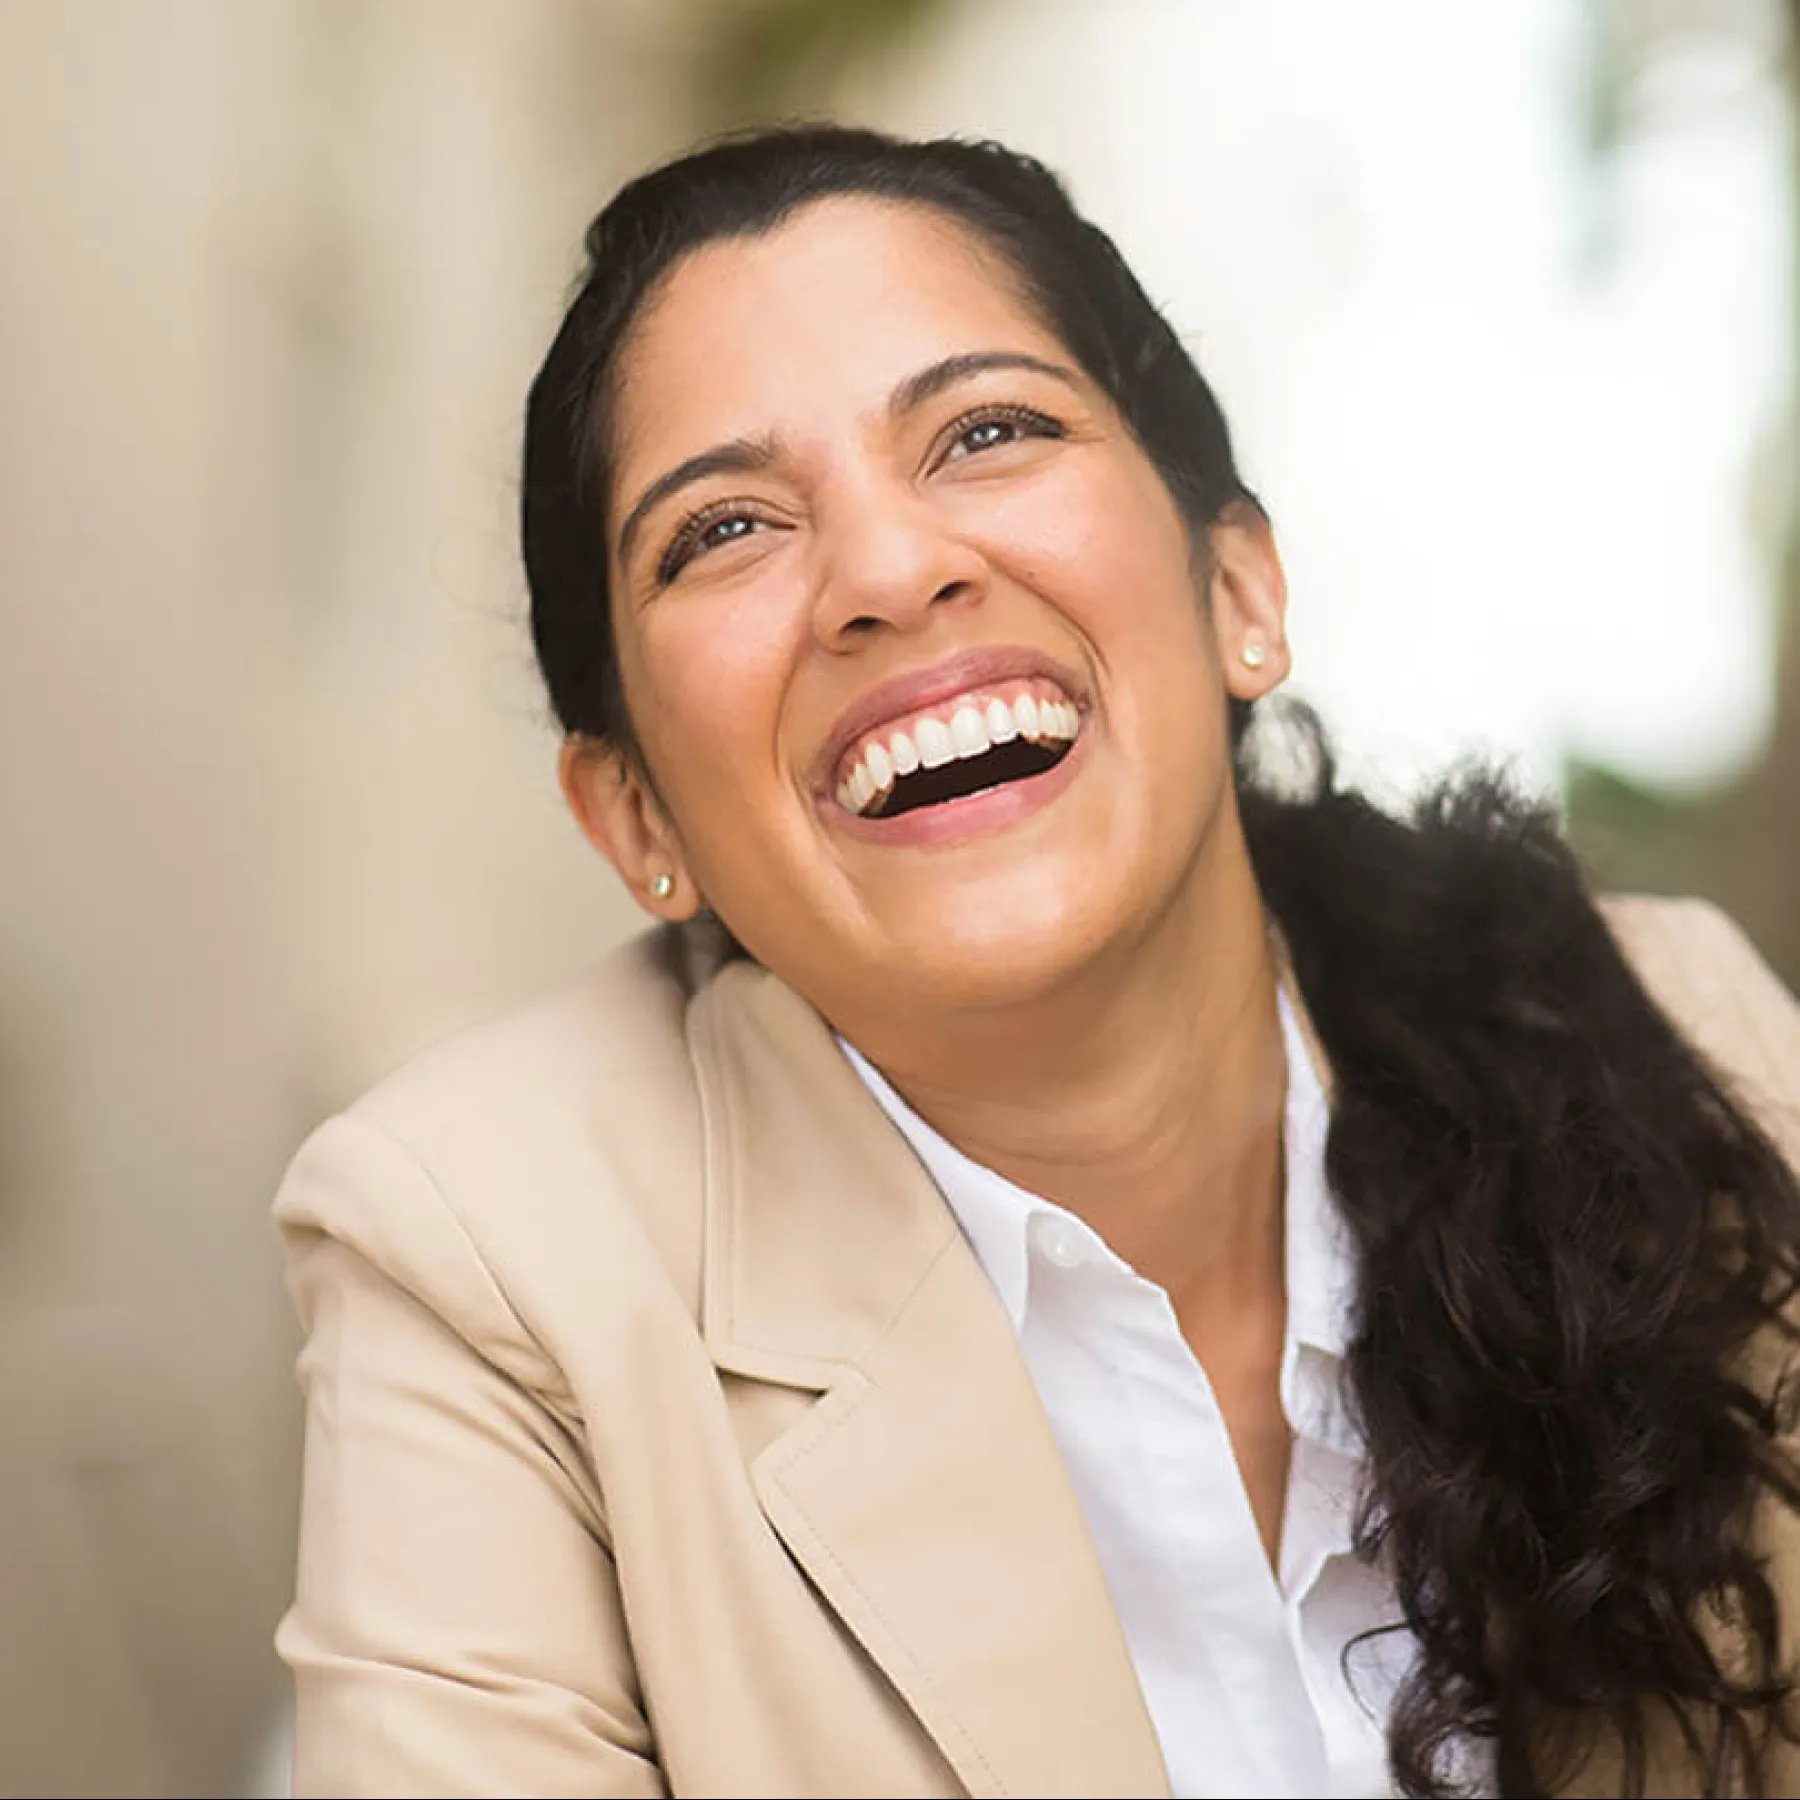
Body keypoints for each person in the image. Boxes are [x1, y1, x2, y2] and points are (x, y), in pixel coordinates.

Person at [272, 125, 1800, 1800]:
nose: (887, 570)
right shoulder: (480, 1252)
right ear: (634, 811)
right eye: (722, 529)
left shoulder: (1674, 1035)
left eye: (988, 431)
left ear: (1238, 590)